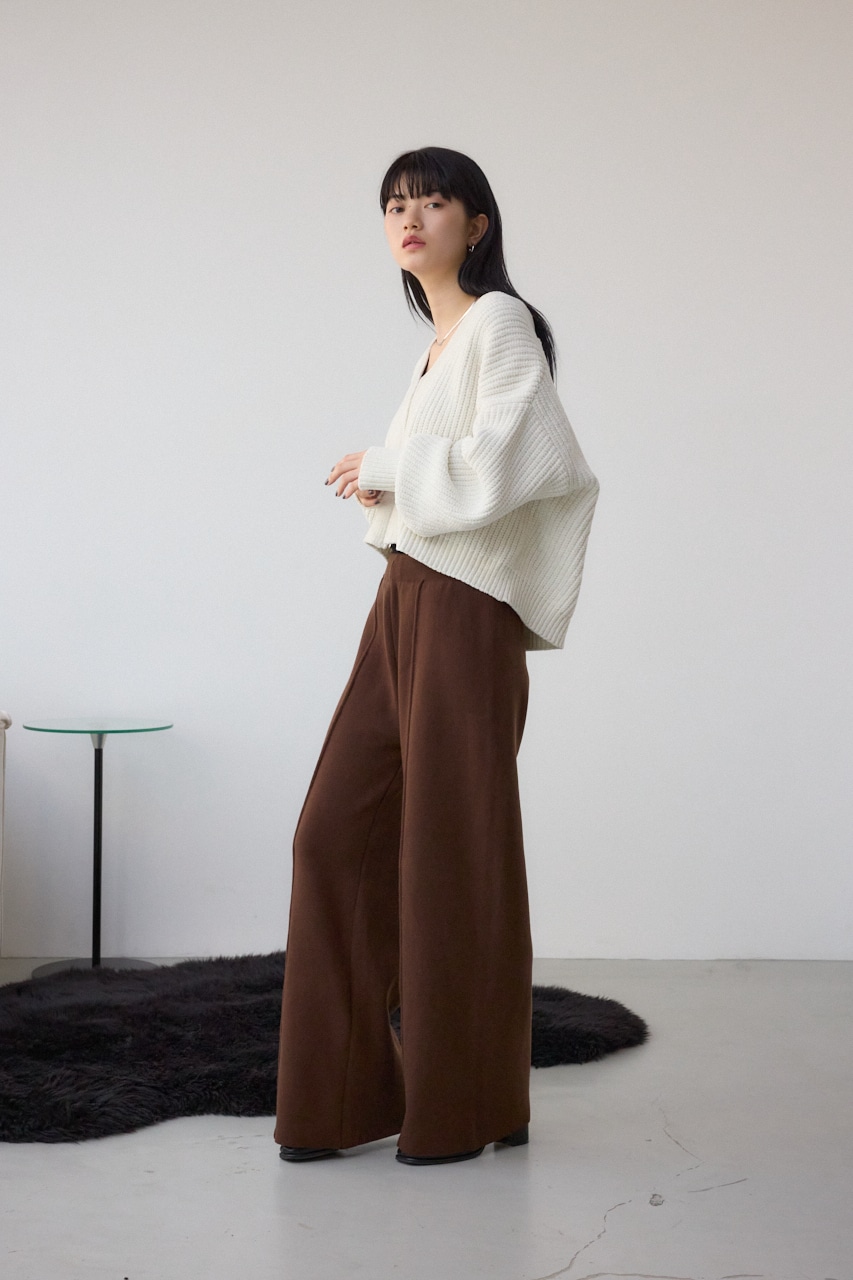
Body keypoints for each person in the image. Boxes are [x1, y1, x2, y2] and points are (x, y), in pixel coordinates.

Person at [275, 146, 599, 1167]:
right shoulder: (438, 345)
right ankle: (336, 1100)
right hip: (405, 597)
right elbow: (453, 474)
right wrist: (392, 488)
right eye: (394, 206)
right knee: (334, 833)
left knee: (452, 850)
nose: (409, 218)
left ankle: (469, 1103)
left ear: (477, 224)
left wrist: (386, 467)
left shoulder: (499, 323)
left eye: (432, 201)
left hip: (462, 609)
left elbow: (519, 461)